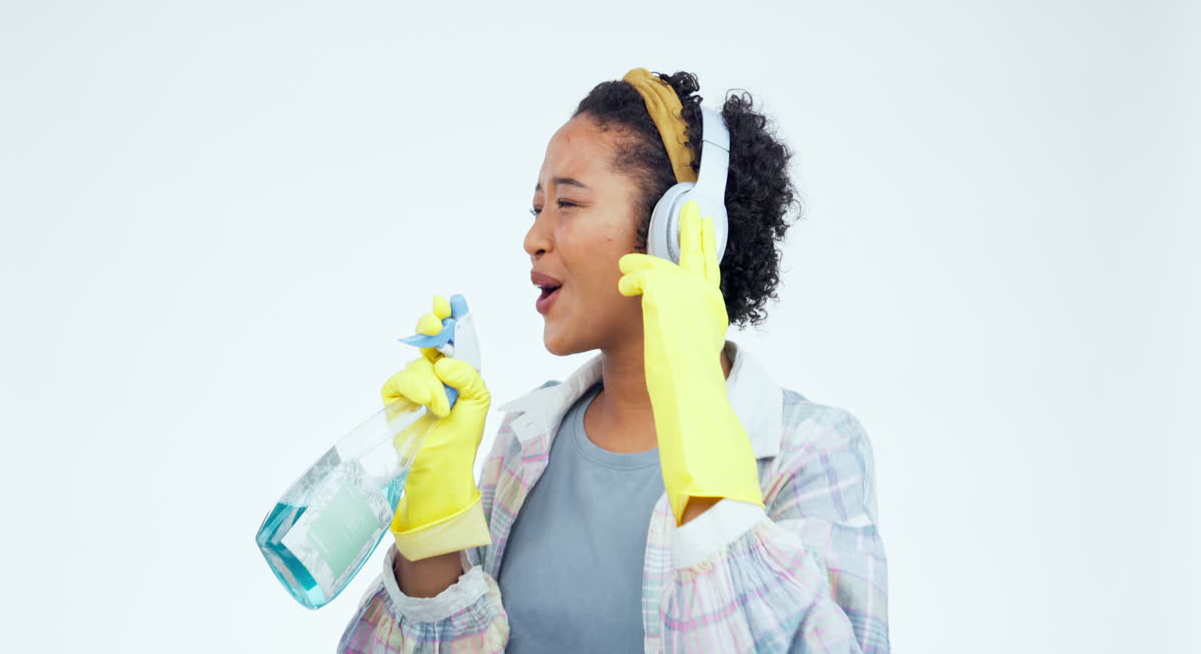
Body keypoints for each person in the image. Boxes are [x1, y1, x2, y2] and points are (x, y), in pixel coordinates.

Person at [338, 69, 889, 653]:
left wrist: (700, 428)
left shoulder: (812, 451)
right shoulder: (523, 444)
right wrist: (434, 530)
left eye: (568, 203)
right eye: (536, 208)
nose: (534, 238)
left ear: (677, 230)